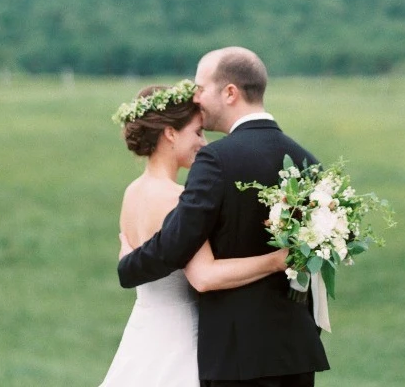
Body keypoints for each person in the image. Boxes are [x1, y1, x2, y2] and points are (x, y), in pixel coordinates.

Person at [118, 47, 330, 387]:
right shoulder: (308, 161)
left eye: (201, 88)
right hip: (296, 350)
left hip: (236, 357)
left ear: (229, 92)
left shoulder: (216, 160)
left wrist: (128, 265)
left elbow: (175, 245)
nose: (197, 98)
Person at [99, 79, 289, 387]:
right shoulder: (176, 198)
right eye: (197, 132)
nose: (203, 143)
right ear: (170, 134)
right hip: (179, 337)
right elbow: (206, 275)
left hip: (144, 334)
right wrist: (277, 260)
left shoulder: (132, 192)